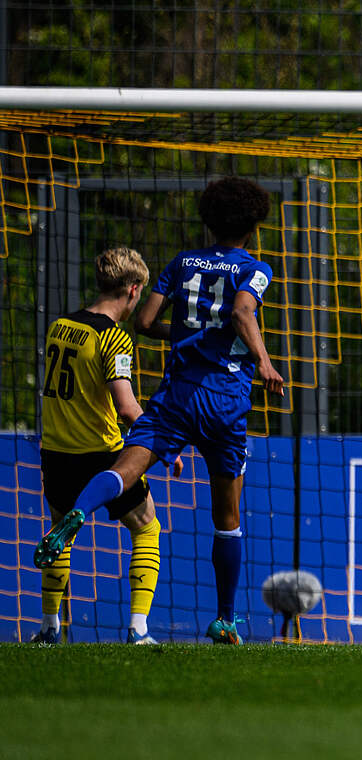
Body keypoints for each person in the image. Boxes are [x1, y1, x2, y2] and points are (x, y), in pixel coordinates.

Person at [34, 177, 285, 646]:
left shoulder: (181, 263)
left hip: (176, 396)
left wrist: (189, 335)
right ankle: (226, 619)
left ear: (208, 220)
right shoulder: (255, 269)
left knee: (125, 470)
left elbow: (147, 323)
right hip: (226, 399)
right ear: (253, 226)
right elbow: (243, 313)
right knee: (227, 517)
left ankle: (77, 517)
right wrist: (264, 361)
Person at [30, 247, 183, 645]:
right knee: (147, 526)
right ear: (133, 291)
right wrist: (166, 445)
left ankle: (49, 627)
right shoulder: (114, 338)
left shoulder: (60, 326)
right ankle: (138, 628)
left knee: (61, 532)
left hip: (57, 451)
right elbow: (127, 406)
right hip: (102, 455)